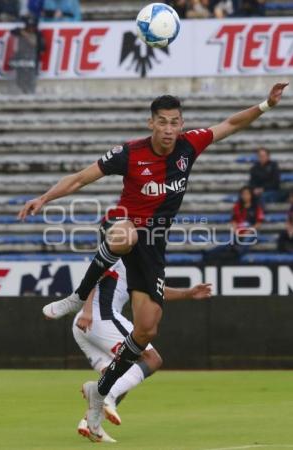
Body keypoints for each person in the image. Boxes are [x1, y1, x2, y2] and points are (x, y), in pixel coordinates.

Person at [18, 82, 288, 440]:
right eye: (162, 122)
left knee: (147, 329)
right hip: (123, 226)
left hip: (154, 247)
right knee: (124, 234)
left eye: (174, 121)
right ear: (151, 124)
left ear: (181, 123)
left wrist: (266, 104)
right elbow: (82, 178)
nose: (168, 129)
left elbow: (231, 124)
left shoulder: (189, 145)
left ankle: (101, 393)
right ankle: (77, 298)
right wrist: (44, 197)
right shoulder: (130, 153)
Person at [47, 260, 211, 442]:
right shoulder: (122, 254)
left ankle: (90, 423)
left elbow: (154, 292)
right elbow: (93, 276)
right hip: (100, 317)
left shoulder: (138, 261)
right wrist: (87, 311)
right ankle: (102, 394)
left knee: (119, 373)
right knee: (152, 359)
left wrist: (188, 293)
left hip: (86, 325)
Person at [9, 15, 45, 94]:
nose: (31, 28)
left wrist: (31, 40)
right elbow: (13, 32)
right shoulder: (21, 31)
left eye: (32, 26)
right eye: (29, 26)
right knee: (20, 80)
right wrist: (25, 34)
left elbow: (42, 48)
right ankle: (22, 91)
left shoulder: (38, 34)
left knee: (31, 80)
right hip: (21, 59)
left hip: (32, 60)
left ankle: (30, 92)